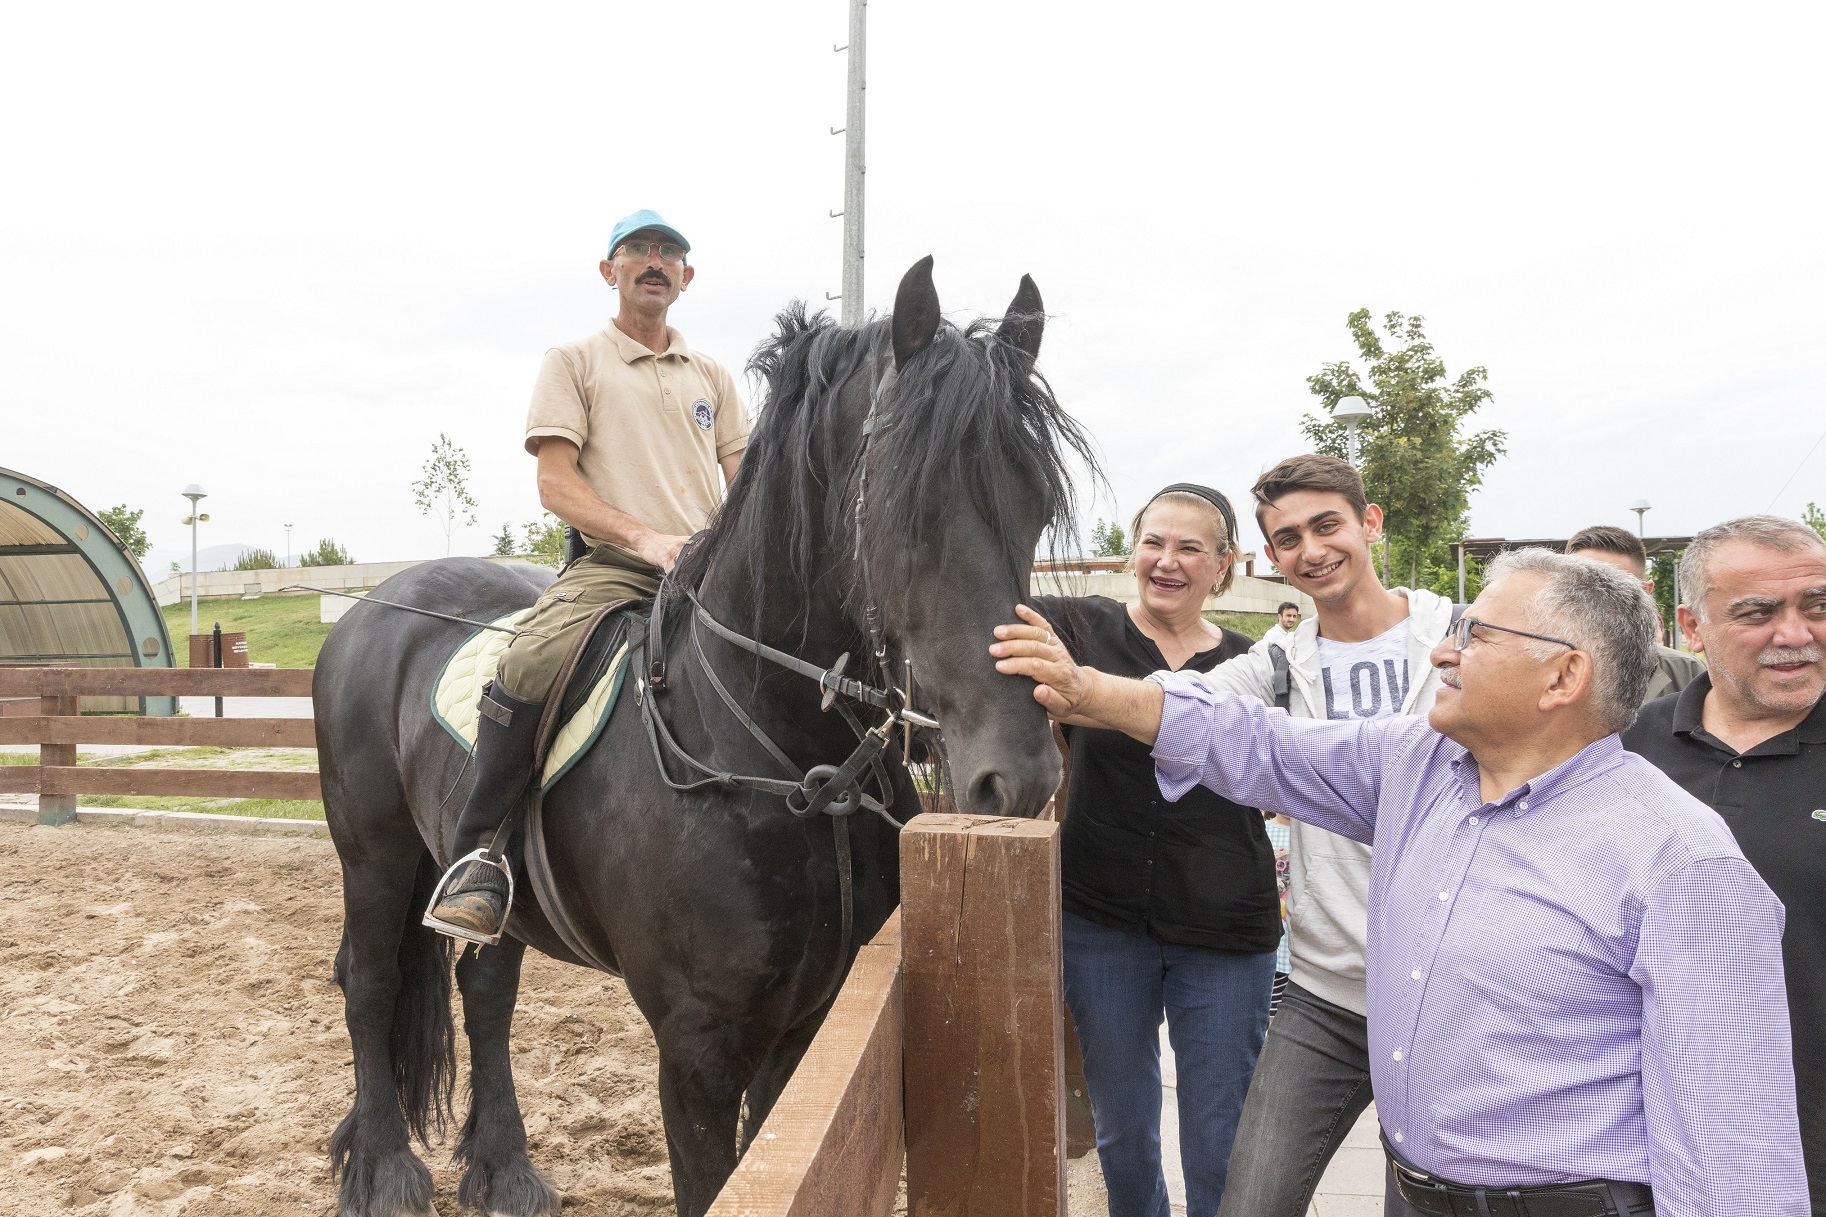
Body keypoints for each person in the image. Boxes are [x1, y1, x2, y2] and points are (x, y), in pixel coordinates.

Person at [993, 548, 1809, 1216]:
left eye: (1475, 633)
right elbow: (1263, 744)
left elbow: (1733, 1149)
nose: (1443, 650)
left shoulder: (1679, 860)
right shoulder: (1419, 763)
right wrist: (1090, 690)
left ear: (1564, 678)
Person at [1108, 454, 1455, 1217]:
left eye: (1327, 524)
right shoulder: (1275, 661)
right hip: (1328, 993)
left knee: (1429, 1205)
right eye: (1289, 537)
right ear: (1272, 557)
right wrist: (1080, 689)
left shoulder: (1461, 640)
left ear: (1370, 522)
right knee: (1251, 1199)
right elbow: (1180, 702)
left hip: (1449, 992)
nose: (1311, 549)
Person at [427, 209, 750, 939]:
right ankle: (479, 854)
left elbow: (747, 481)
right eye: (637, 250)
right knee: (530, 660)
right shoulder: (575, 361)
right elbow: (556, 486)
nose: (654, 261)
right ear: (610, 271)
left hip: (705, 574)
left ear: (687, 278)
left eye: (668, 252)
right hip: (615, 568)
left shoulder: (713, 378)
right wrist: (647, 538)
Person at [1032, 484, 1278, 1217]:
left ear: (1224, 565)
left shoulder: (1254, 664)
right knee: (1123, 1129)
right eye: (1153, 543)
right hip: (1101, 923)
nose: (1166, 562)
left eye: (1190, 548)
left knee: (1218, 1139)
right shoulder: (1075, 627)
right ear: (1134, 550)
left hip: (1226, 933)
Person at [1622, 515, 1826, 1214]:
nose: (1795, 633)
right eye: (1757, 612)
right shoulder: (1625, 753)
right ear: (1692, 625)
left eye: (1818, 606)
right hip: (1651, 1159)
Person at [1565, 525, 1705, 702]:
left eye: (1616, 588)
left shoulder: (1686, 673)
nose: (1596, 599)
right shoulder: (1536, 669)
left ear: (1645, 591)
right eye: (1581, 586)